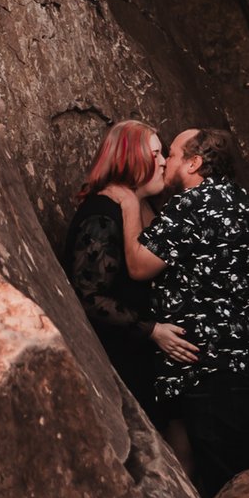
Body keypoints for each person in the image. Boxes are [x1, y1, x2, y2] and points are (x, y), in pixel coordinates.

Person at [104, 123, 249, 498]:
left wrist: (129, 203)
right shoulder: (234, 198)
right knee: (212, 471)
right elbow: (174, 246)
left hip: (217, 372)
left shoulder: (195, 203)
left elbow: (139, 264)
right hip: (239, 366)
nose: (164, 161)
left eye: (172, 154)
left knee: (225, 485)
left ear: (195, 162)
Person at [63, 121, 172, 401]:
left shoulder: (145, 208)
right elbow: (88, 297)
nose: (163, 162)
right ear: (131, 159)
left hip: (148, 363)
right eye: (156, 154)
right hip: (120, 365)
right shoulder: (102, 214)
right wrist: (152, 330)